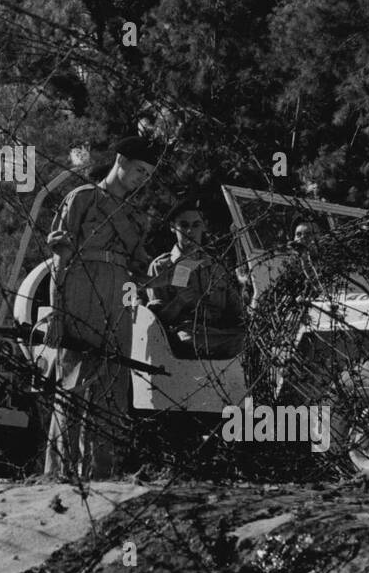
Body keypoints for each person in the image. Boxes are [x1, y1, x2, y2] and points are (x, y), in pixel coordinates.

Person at [44, 136, 160, 481]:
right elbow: (59, 259)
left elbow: (140, 269)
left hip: (121, 294)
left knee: (113, 381)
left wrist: (164, 280)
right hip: (81, 286)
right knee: (73, 382)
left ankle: (101, 475)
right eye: (140, 170)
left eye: (148, 174)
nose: (143, 179)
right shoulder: (82, 199)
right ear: (120, 160)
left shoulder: (137, 217)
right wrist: (56, 311)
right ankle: (60, 475)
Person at [146, 197, 243, 358]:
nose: (190, 232)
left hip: (220, 332)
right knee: (239, 343)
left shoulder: (215, 267)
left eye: (196, 225)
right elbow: (155, 322)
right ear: (173, 227)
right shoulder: (162, 267)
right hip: (185, 335)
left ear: (204, 227)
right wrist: (179, 302)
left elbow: (236, 310)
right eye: (184, 225)